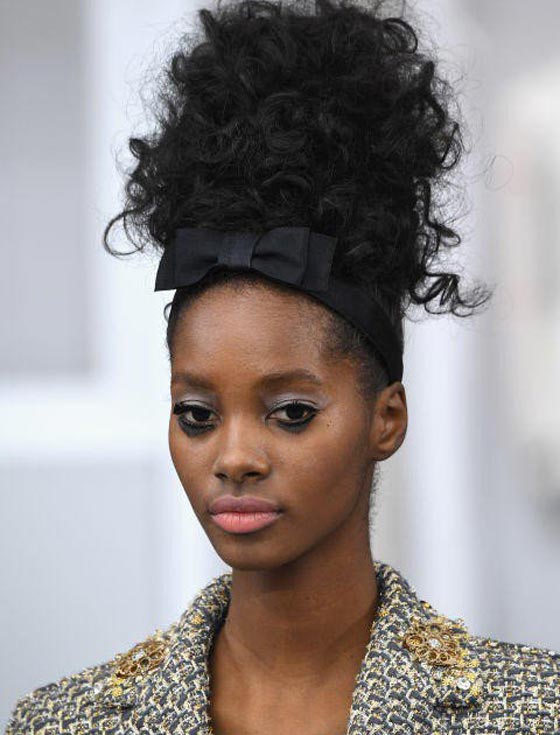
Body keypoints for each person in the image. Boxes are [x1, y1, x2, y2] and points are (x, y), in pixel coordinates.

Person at [6, 0, 559, 733]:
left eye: (291, 412)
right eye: (196, 415)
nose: (233, 458)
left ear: (387, 418)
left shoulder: (531, 713)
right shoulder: (63, 724)